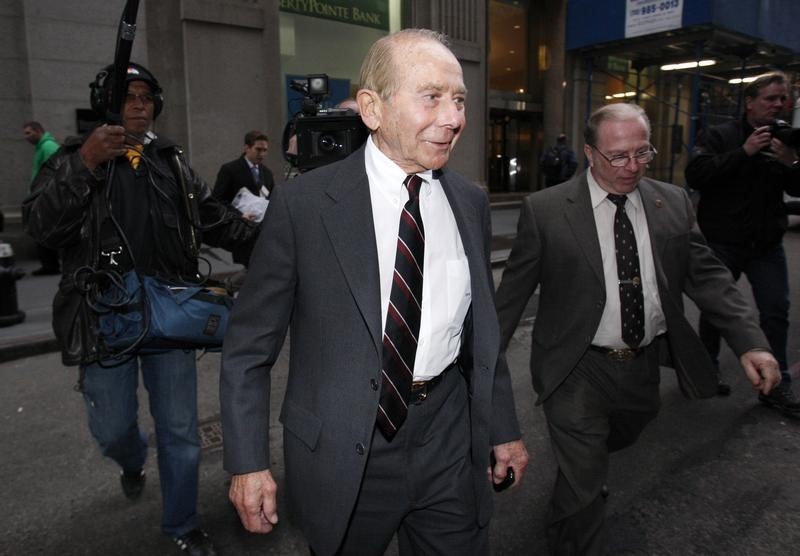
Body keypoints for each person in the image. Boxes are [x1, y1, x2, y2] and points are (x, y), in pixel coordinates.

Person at [220, 28, 529, 556]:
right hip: (347, 455)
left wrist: (503, 427)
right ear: (372, 108)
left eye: (458, 100)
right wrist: (248, 462)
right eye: (431, 97)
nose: (453, 118)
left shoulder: (469, 202)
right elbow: (249, 347)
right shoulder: (305, 206)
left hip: (449, 442)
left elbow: (481, 337)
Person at [495, 102, 781, 555]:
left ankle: (577, 486)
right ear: (590, 154)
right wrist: (482, 376)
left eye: (642, 153)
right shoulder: (547, 210)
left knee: (618, 438)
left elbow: (707, 276)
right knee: (585, 482)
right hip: (576, 367)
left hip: (643, 364)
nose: (632, 167)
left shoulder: (671, 202)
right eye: (618, 156)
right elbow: (508, 301)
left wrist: (751, 342)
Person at [23, 62, 255, 556]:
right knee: (111, 430)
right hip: (105, 321)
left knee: (180, 433)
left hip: (170, 317)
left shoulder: (170, 162)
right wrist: (85, 162)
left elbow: (214, 218)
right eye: (126, 96)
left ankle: (182, 526)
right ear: (106, 103)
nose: (137, 104)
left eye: (146, 97)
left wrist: (275, 240)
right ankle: (131, 460)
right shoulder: (70, 157)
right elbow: (42, 227)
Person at [685, 71, 800, 409]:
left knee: (776, 311)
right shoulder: (722, 135)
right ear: (749, 103)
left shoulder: (784, 141)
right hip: (724, 242)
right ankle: (708, 368)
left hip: (766, 245)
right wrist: (745, 152)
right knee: (716, 309)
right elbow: (697, 175)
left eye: (782, 99)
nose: (778, 104)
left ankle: (777, 385)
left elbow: (797, 188)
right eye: (770, 98)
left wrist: (788, 162)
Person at [212, 130, 274, 266]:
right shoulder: (230, 169)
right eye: (258, 149)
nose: (262, 154)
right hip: (241, 228)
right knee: (248, 267)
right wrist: (239, 215)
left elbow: (272, 200)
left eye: (265, 150)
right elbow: (217, 201)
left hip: (263, 230)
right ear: (246, 147)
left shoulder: (267, 173)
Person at [23, 120, 61, 275]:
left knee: (43, 233)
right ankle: (49, 265)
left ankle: (50, 266)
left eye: (28, 132)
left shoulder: (47, 147)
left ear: (38, 131)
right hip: (42, 197)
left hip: (45, 199)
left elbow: (55, 173)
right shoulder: (42, 147)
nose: (26, 137)